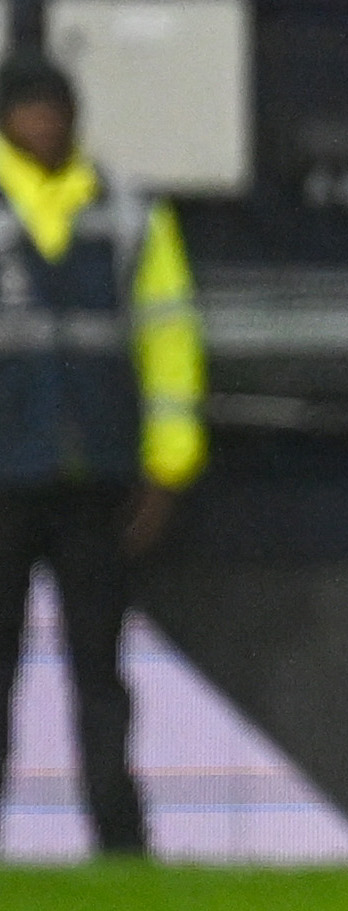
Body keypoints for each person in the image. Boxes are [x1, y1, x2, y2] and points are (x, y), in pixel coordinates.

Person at [0, 55, 205, 860]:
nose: (44, 123)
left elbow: (169, 338)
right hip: (7, 479)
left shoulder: (127, 212)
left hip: (97, 478)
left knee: (100, 666)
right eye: (29, 110)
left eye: (54, 109)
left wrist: (169, 464)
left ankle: (118, 837)